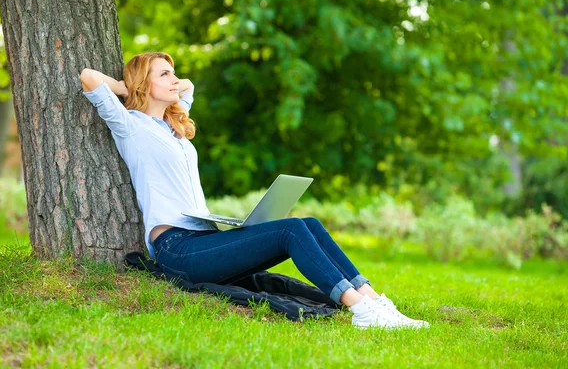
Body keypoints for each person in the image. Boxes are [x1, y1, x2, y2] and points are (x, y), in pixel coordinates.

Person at [79, 52, 429, 329]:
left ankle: (372, 301)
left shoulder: (173, 126)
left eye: (172, 72)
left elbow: (187, 89)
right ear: (143, 84)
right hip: (176, 248)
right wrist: (131, 86)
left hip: (203, 239)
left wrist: (166, 78)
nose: (174, 79)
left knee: (309, 224)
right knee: (290, 229)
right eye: (164, 74)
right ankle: (360, 310)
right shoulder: (129, 126)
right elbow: (89, 78)